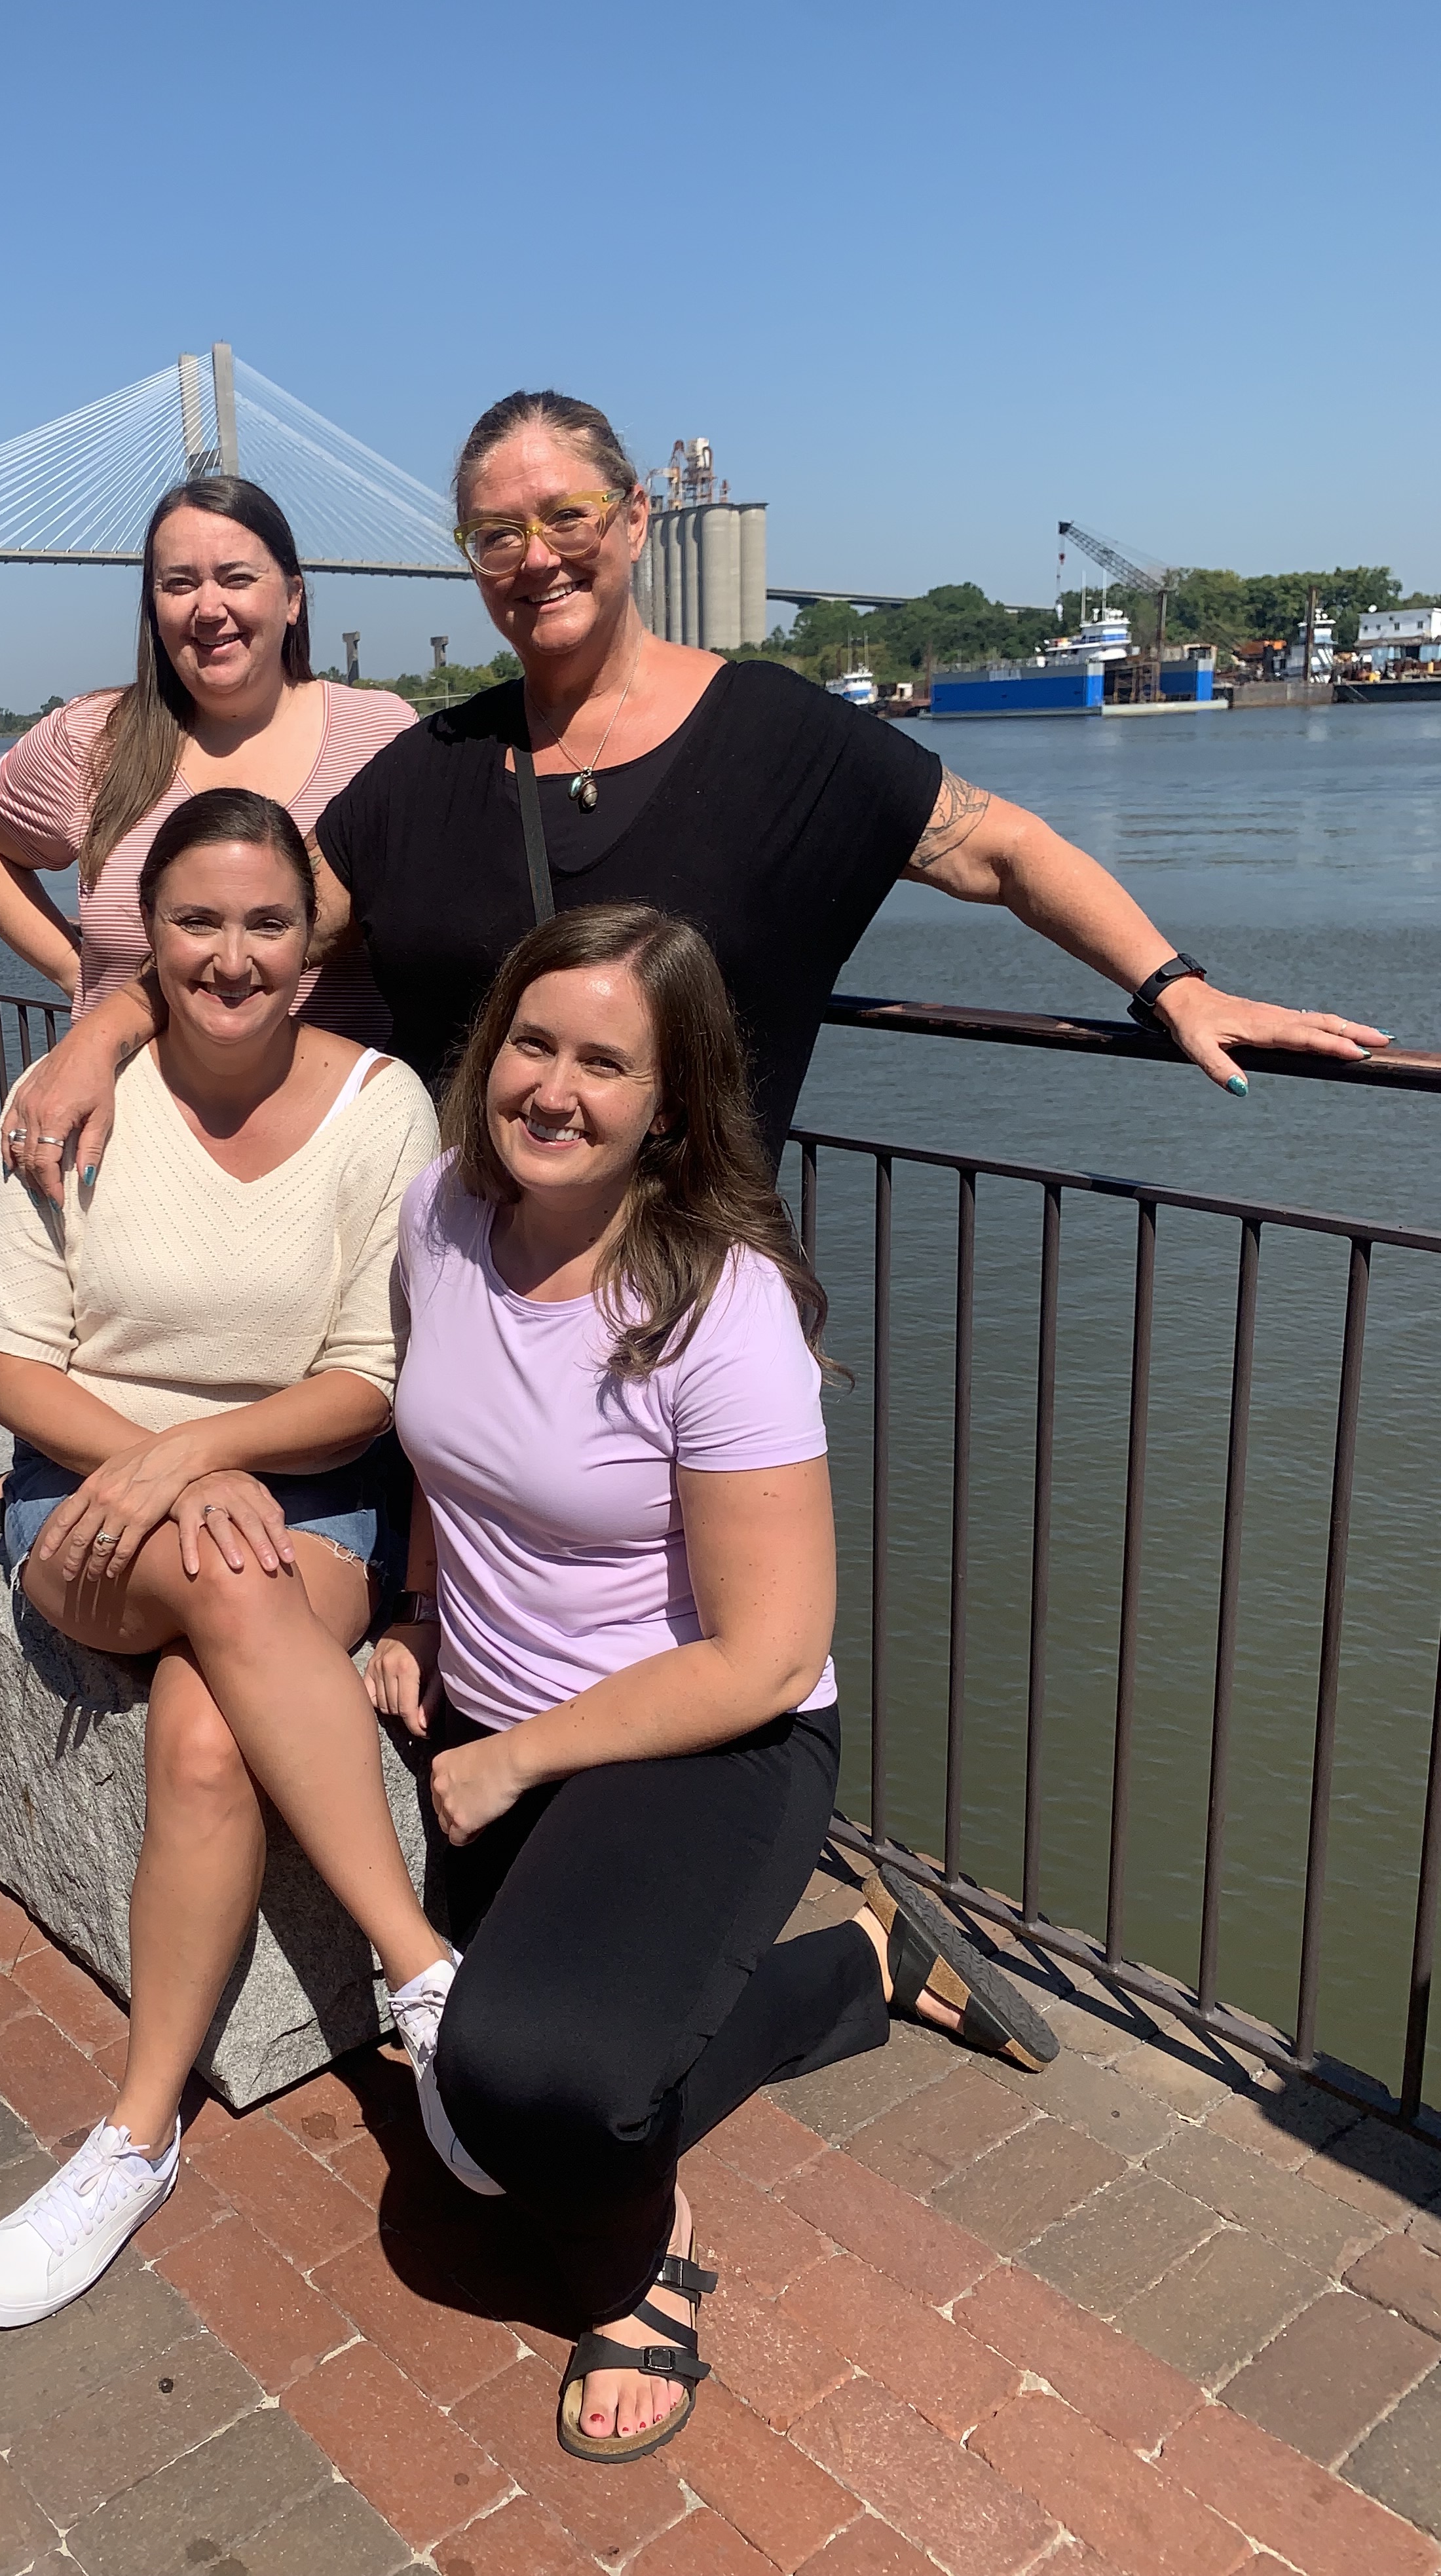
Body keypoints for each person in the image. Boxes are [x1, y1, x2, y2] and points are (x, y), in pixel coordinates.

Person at [0, 388, 1385, 1206]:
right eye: (496, 534)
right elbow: (248, 936)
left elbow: (1004, 852)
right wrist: (93, 1035)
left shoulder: (778, 736)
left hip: (690, 1314)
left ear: (637, 519)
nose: (536, 557)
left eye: (567, 517)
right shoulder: (427, 770)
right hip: (469, 1304)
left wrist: (1176, 987)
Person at [362, 903, 1057, 2466]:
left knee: (524, 2091)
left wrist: (517, 1757)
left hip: (703, 1739)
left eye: (605, 1064)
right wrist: (413, 1611)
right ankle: (864, 1963)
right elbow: (446, 1453)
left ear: (669, 1105)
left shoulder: (718, 1308)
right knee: (480, 2097)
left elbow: (770, 1652)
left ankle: (642, 2265)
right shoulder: (439, 1214)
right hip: (495, 1715)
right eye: (532, 1043)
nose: (553, 1090)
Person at [0, 789, 459, 2330]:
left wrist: (214, 1454)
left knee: (204, 1741)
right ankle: (425, 1975)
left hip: (311, 1503)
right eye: (197, 922)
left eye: (265, 924)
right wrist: (165, 1464)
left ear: (311, 947)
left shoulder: (383, 1107)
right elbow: (17, 1369)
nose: (231, 956)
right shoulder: (65, 1100)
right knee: (230, 1581)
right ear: (148, 942)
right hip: (87, 1505)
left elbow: (371, 1379)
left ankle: (135, 2136)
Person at [0, 472, 411, 1531]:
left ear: (294, 594)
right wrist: (79, 979)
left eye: (237, 576)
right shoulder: (97, 741)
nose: (209, 607)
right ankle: (60, 1477)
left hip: (316, 1178)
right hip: (136, 1153)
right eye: (177, 582)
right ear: (150, 605)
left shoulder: (381, 737)